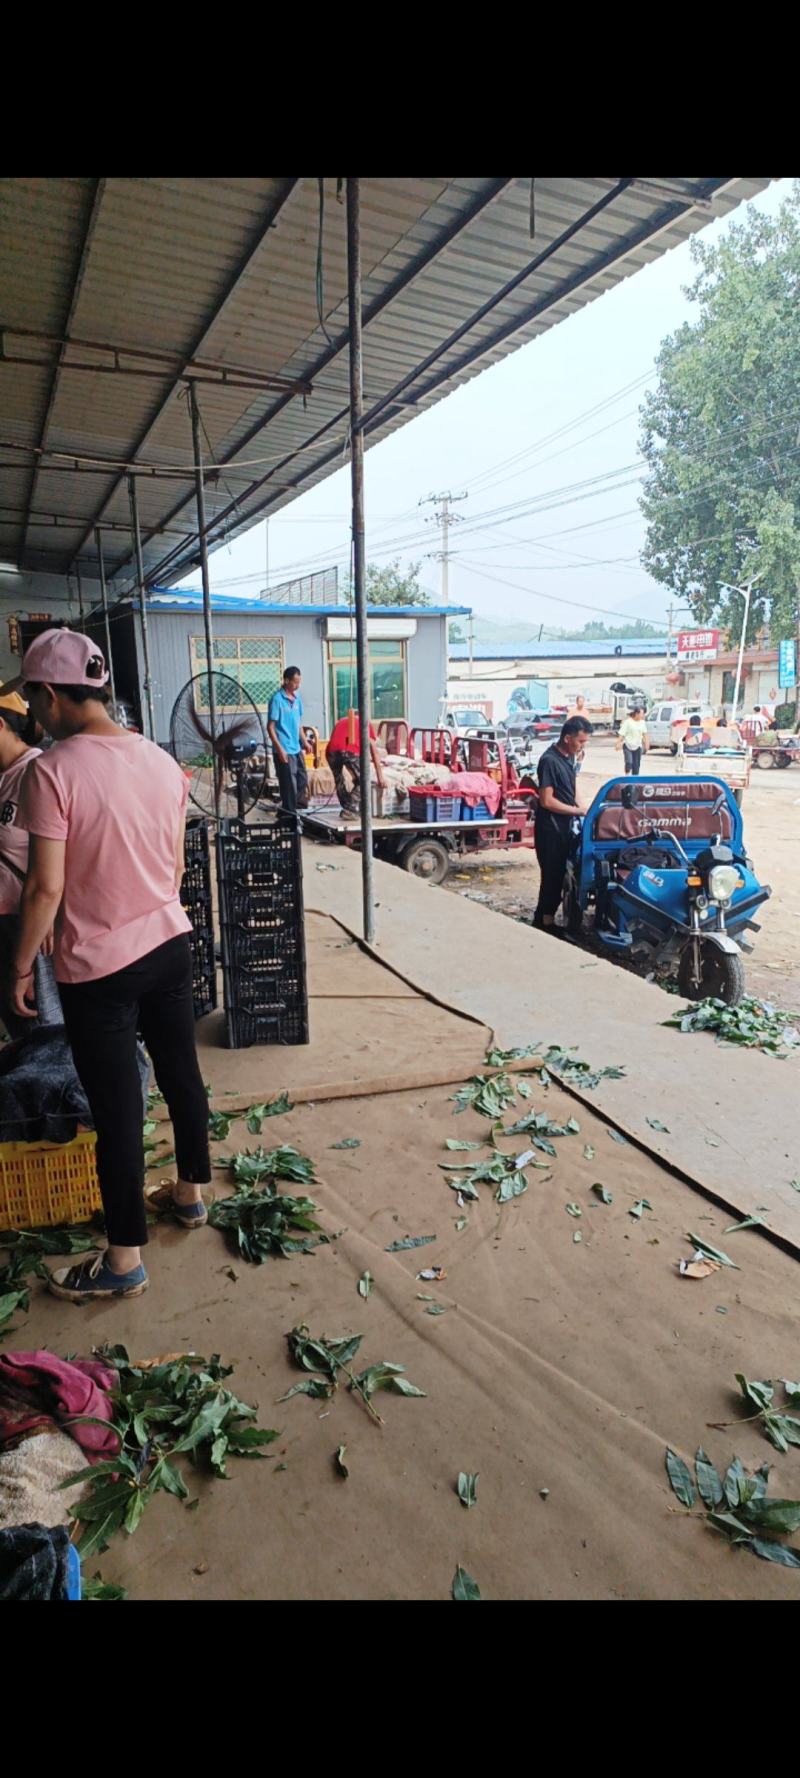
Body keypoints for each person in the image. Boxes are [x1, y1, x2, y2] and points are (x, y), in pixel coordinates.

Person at [4, 628, 211, 1304]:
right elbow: (176, 867)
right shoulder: (158, 760)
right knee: (181, 1072)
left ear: (53, 694)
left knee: (119, 1109)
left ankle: (123, 1258)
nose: (34, 714)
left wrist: (19, 963)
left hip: (101, 968)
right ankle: (191, 1194)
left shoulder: (52, 770)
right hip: (170, 943)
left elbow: (45, 888)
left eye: (34, 698)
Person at [0, 690, 59, 1039]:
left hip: (28, 929)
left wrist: (51, 908)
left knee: (42, 1038)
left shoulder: (37, 773)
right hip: (5, 929)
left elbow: (70, 854)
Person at [533, 716, 591, 933]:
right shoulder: (549, 761)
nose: (582, 746)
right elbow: (546, 800)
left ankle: (544, 919)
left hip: (564, 824)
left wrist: (585, 809)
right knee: (551, 878)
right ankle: (544, 924)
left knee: (559, 877)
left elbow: (572, 789)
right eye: (580, 742)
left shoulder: (568, 758)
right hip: (551, 828)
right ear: (567, 738)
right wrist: (577, 810)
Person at [268, 666, 309, 816]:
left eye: (299, 682)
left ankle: (295, 810)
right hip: (284, 748)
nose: (297, 686)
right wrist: (279, 749)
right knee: (288, 784)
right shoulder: (277, 700)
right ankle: (289, 814)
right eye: (295, 682)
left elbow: (298, 723)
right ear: (286, 681)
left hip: (296, 747)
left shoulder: (297, 700)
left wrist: (304, 741)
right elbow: (271, 727)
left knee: (302, 779)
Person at [326, 711, 380, 816]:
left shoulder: (341, 721)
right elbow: (374, 750)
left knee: (339, 781)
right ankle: (349, 808)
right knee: (365, 781)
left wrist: (355, 775)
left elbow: (341, 753)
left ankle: (348, 808)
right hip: (349, 749)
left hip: (330, 752)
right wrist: (380, 777)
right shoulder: (364, 722)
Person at [617, 704, 649, 775]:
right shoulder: (628, 722)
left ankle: (634, 782)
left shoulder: (642, 723)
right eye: (641, 714)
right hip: (628, 746)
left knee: (636, 766)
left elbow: (645, 734)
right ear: (636, 714)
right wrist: (618, 743)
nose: (643, 715)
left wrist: (647, 744)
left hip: (637, 747)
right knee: (629, 762)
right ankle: (627, 776)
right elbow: (622, 734)